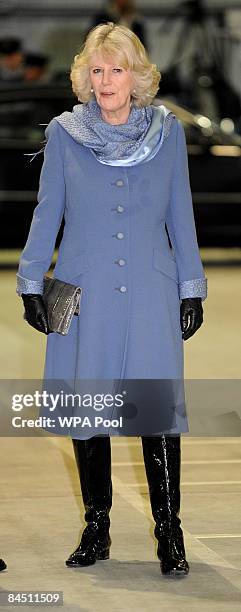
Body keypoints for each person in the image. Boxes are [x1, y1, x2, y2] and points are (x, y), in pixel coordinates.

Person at [16, 22, 207, 576]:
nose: (105, 82)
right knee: (87, 409)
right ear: (85, 77)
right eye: (96, 71)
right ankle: (96, 527)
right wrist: (31, 280)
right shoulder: (65, 134)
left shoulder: (166, 133)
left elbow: (181, 213)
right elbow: (47, 210)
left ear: (137, 76)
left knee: (158, 413)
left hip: (152, 288)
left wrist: (190, 286)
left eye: (116, 70)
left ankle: (169, 533)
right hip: (85, 292)